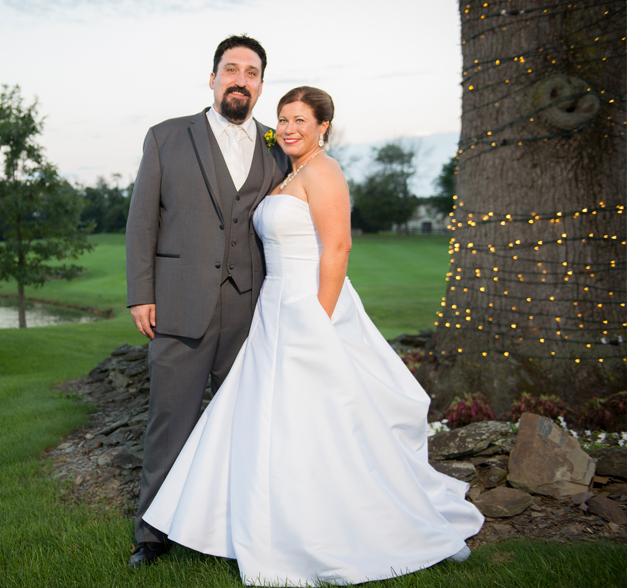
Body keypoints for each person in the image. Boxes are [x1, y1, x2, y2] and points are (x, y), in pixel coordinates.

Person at [142, 86, 485, 586]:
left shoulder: (324, 171)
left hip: (309, 307)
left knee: (317, 419)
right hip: (273, 307)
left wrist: (319, 321)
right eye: (283, 118)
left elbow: (338, 248)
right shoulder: (289, 173)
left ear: (324, 126)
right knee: (268, 419)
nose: (288, 128)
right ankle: (255, 519)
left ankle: (325, 525)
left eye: (300, 119)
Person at [125, 35, 290, 568]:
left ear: (261, 85)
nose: (241, 79)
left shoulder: (277, 146)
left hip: (252, 309)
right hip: (178, 304)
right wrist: (140, 294)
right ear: (213, 77)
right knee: (170, 420)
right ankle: (152, 533)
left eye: (251, 72)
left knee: (244, 426)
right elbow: (141, 221)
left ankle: (235, 529)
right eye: (231, 69)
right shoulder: (166, 136)